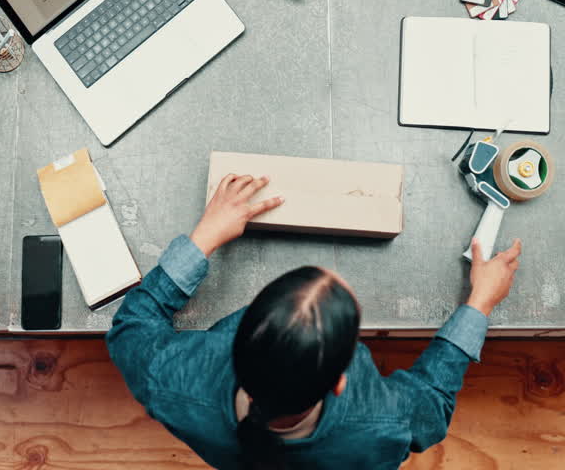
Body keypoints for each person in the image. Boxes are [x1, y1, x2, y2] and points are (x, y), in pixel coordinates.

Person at [107, 173, 522, 469]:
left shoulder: (168, 379)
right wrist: (480, 303)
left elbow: (131, 326)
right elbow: (431, 403)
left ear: (238, 339)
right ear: (342, 380)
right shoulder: (381, 423)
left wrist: (203, 238)